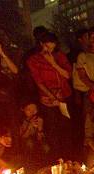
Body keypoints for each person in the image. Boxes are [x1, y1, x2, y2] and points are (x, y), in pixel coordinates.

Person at [26, 31, 74, 159]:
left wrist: (53, 63)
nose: (50, 50)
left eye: (52, 47)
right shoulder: (34, 60)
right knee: (52, 129)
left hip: (64, 95)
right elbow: (38, 81)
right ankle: (57, 159)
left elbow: (67, 75)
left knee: (66, 127)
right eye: (47, 47)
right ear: (41, 44)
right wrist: (52, 96)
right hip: (48, 98)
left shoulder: (59, 56)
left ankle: (69, 156)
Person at [19, 102, 49, 169]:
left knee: (46, 147)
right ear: (23, 110)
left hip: (38, 142)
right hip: (26, 143)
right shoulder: (21, 121)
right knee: (29, 143)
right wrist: (30, 126)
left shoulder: (40, 119)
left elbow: (41, 138)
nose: (32, 112)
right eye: (29, 109)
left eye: (34, 109)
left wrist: (40, 129)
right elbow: (23, 136)